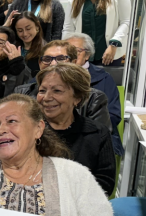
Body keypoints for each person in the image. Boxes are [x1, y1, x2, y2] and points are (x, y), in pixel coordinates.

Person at [34, 64, 116, 195]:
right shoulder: (28, 130)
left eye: (57, 91)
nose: (47, 98)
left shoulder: (97, 133)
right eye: (42, 91)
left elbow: (105, 184)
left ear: (77, 98)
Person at [16, 40, 113, 139]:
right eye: (47, 59)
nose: (53, 63)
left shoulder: (93, 98)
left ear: (74, 63)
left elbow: (99, 139)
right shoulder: (22, 93)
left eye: (61, 59)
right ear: (40, 63)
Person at [63, 0, 132, 66]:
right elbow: (68, 28)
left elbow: (126, 22)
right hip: (81, 56)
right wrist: (66, 52)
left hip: (109, 54)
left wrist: (114, 44)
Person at [69, 33, 122, 154]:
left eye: (76, 51)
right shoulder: (52, 75)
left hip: (96, 137)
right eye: (67, 51)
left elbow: (113, 115)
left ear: (87, 55)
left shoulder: (103, 78)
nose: (70, 55)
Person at [14, 10, 47, 75]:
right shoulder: (14, 47)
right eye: (20, 31)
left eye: (28, 29)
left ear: (37, 27)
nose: (25, 34)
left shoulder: (45, 50)